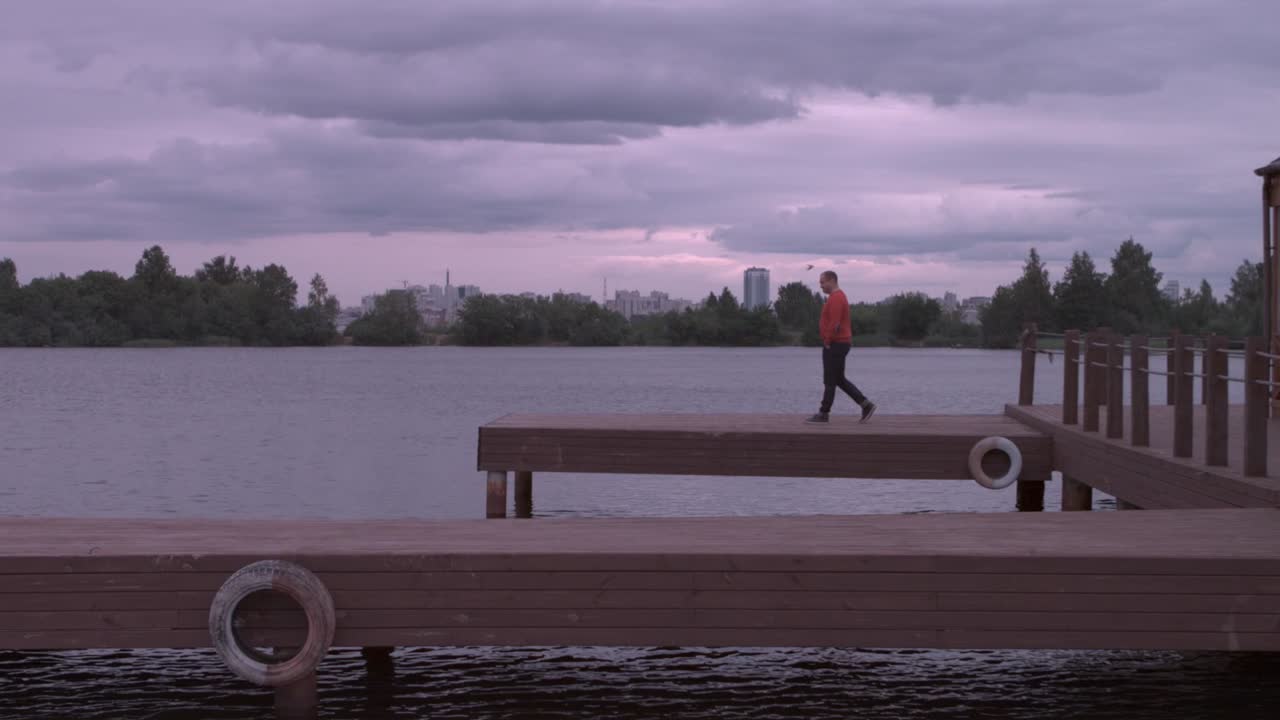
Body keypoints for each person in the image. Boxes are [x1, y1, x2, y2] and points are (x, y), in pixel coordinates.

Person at [806, 270, 876, 423]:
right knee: (838, 379)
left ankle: (824, 413)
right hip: (839, 343)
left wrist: (828, 340)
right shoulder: (835, 297)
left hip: (836, 343)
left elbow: (835, 323)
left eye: (823, 282)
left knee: (830, 380)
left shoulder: (837, 298)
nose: (821, 286)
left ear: (832, 280)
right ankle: (866, 405)